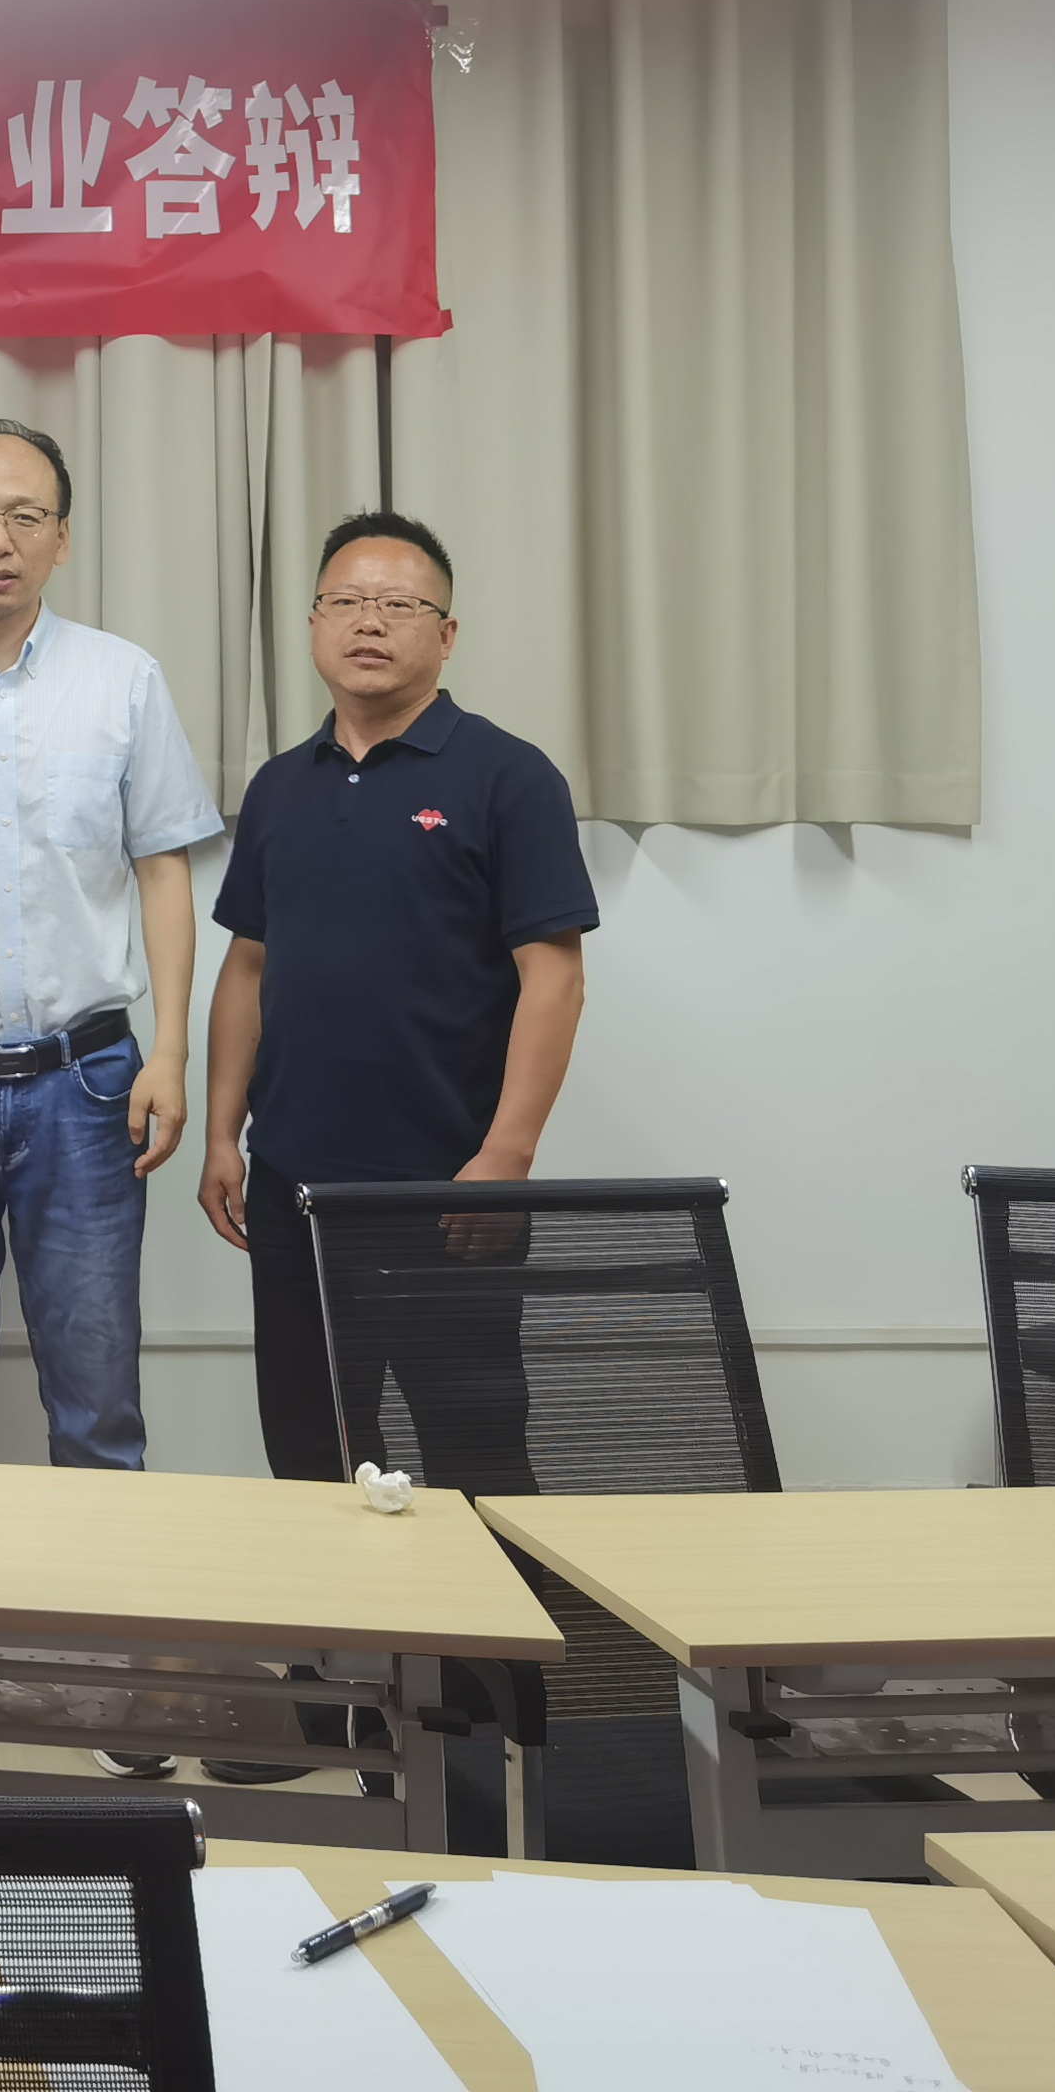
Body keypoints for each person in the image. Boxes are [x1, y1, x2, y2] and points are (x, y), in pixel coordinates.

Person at [200, 511, 597, 1484]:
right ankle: (328, 1603)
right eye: (345, 601)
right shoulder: (279, 788)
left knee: (475, 1459)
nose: (368, 622)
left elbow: (554, 976)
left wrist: (506, 1156)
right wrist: (220, 1136)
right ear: (312, 623)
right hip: (292, 1188)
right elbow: (247, 966)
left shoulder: (509, 776)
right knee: (311, 1456)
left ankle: (489, 1605)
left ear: (445, 634)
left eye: (398, 605)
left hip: (448, 1194)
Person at [0, 420, 221, 1472]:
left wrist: (170, 1053)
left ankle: (99, 1589)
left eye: (25, 516)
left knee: (97, 1404)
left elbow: (162, 869)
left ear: (62, 538)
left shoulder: (123, 679)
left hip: (88, 1086)